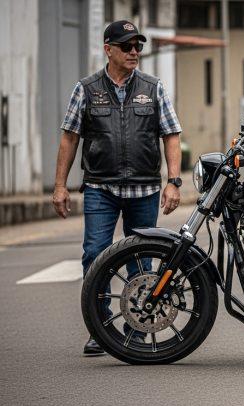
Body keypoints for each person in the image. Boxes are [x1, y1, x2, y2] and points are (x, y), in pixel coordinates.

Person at [52, 20, 183, 356]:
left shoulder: (153, 88)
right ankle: (100, 329)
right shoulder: (86, 89)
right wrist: (60, 186)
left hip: (144, 189)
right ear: (108, 50)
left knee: (141, 263)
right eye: (127, 46)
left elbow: (171, 134)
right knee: (95, 257)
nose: (134, 52)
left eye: (138, 46)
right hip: (101, 188)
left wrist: (173, 181)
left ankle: (136, 329)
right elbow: (69, 137)